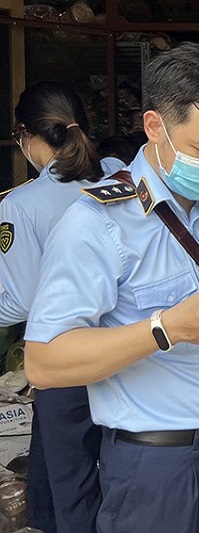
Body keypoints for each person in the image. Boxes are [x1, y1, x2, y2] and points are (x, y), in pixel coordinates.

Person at [24, 43, 199, 533]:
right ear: (155, 126)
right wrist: (165, 330)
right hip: (159, 471)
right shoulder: (97, 223)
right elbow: (44, 361)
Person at [0, 81, 105, 532]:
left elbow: (22, 299)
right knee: (92, 467)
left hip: (62, 357)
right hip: (122, 350)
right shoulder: (117, 177)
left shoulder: (21, 204)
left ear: (28, 135)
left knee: (72, 484)